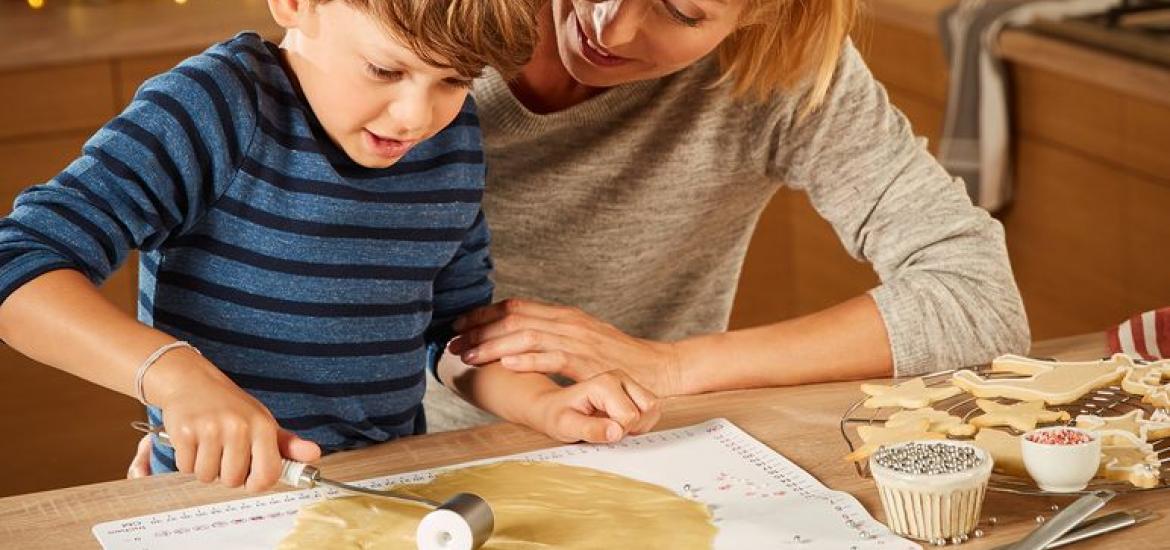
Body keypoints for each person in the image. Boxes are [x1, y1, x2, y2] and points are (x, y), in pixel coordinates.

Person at [0, 0, 659, 492]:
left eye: (455, 80)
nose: (414, 117)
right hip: (219, 500)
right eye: (384, 68)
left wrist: (545, 402)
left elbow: (452, 333)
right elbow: (19, 265)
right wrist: (177, 377)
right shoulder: (215, 108)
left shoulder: (449, 141)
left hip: (387, 488)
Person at [424, 0, 1031, 430]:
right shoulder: (424, 28)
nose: (608, 26)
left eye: (680, 11)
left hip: (646, 444)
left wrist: (673, 366)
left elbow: (977, 299)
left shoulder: (781, 66)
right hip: (407, 445)